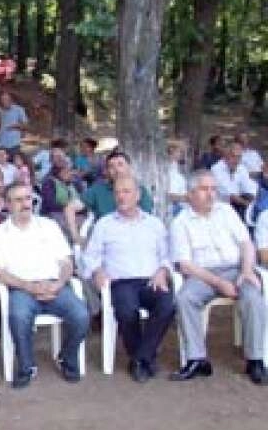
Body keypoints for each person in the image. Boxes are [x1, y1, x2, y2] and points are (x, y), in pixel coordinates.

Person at [170, 170, 268, 384]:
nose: (211, 194)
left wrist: (247, 270)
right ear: (190, 194)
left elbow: (246, 243)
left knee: (253, 296)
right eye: (204, 189)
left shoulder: (226, 211)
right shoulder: (181, 222)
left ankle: (255, 360)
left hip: (236, 268)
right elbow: (185, 265)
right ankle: (196, 359)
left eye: (213, 189)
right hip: (202, 274)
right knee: (185, 298)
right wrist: (219, 283)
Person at [0, 181, 89, 388]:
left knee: (81, 315)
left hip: (54, 286)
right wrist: (29, 287)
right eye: (18, 200)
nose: (25, 204)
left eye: (28, 198)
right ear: (7, 204)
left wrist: (59, 283)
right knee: (18, 316)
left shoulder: (49, 226)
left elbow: (66, 262)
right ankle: (27, 366)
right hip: (21, 289)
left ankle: (67, 357)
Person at [82, 176, 175, 382]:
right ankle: (144, 358)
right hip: (121, 282)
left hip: (151, 280)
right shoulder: (104, 224)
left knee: (167, 305)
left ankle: (140, 358)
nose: (121, 196)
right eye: (117, 192)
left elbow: (168, 255)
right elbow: (89, 257)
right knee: (126, 310)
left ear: (138, 195)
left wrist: (163, 270)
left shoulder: (154, 224)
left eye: (126, 191)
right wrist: (97, 271)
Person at [64, 150, 154, 245]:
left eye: (120, 164)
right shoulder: (98, 190)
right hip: (105, 239)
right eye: (111, 166)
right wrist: (75, 236)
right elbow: (70, 208)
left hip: (135, 239)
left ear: (129, 167)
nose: (116, 170)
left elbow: (145, 218)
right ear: (107, 171)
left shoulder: (139, 190)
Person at [210, 140, 257, 220]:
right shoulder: (216, 169)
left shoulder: (242, 168)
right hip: (220, 207)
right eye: (233, 156)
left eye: (239, 157)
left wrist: (254, 200)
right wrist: (248, 205)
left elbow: (248, 187)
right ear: (225, 156)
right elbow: (230, 195)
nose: (236, 160)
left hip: (238, 206)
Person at [0, 91, 28, 155]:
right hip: (1, 144)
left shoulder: (19, 110)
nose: (4, 101)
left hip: (14, 143)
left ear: (11, 100)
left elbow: (25, 125)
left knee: (14, 160)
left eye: (6, 99)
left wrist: (16, 125)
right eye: (2, 100)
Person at [168, 142, 188, 216]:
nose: (182, 154)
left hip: (182, 207)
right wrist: (186, 198)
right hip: (174, 208)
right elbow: (170, 195)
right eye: (180, 151)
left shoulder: (176, 168)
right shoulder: (169, 171)